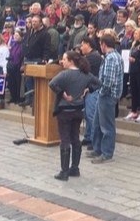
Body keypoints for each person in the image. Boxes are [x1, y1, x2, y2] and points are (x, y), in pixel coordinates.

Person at [49, 51, 101, 180]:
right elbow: (99, 83)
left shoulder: (64, 74)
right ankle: (75, 168)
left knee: (65, 139)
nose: (62, 61)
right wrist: (88, 89)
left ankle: (64, 171)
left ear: (71, 61)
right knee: (75, 138)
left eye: (65, 59)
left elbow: (52, 84)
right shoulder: (85, 74)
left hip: (65, 110)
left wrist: (63, 94)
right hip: (78, 110)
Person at [88, 34, 124, 164]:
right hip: (105, 95)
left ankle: (107, 153)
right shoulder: (115, 56)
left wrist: (101, 92)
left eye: (100, 44)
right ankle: (97, 149)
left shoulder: (110, 59)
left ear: (104, 44)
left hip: (107, 96)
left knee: (107, 126)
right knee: (97, 123)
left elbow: (108, 80)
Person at [79, 36, 103, 148]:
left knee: (91, 115)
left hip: (93, 89)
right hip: (88, 89)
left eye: (82, 44)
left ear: (88, 45)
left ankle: (94, 140)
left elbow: (81, 69)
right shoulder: (89, 56)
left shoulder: (93, 57)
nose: (80, 47)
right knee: (87, 115)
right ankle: (88, 137)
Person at [123, 28, 140, 122]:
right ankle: (133, 111)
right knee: (134, 91)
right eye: (134, 33)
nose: (135, 35)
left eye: (137, 33)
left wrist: (135, 60)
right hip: (133, 70)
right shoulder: (134, 45)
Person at [6, 30, 25, 104]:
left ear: (21, 36)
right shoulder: (13, 44)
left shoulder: (23, 45)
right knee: (11, 82)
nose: (15, 37)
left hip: (18, 66)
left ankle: (18, 98)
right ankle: (12, 97)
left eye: (17, 35)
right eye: (15, 35)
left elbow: (23, 56)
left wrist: (22, 65)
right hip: (11, 66)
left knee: (18, 83)